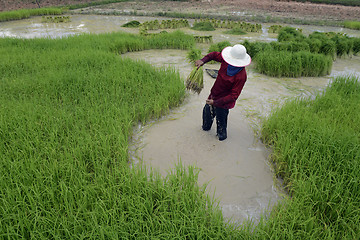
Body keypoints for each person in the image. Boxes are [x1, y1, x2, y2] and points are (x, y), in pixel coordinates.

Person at [195, 44, 251, 141]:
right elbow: (212, 55)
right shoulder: (225, 60)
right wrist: (202, 60)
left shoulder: (241, 76)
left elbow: (233, 96)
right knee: (205, 126)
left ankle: (220, 143)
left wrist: (216, 103)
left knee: (221, 134)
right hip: (213, 95)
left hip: (224, 103)